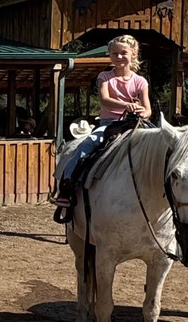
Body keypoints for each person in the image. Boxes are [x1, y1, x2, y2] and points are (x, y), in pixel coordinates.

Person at [54, 35, 151, 219]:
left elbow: (148, 110)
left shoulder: (140, 81)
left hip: (134, 123)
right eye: (115, 53)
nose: (119, 57)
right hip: (109, 124)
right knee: (84, 148)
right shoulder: (105, 76)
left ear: (133, 54)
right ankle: (67, 187)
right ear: (110, 55)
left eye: (124, 53)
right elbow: (105, 100)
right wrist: (126, 105)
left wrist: (140, 112)